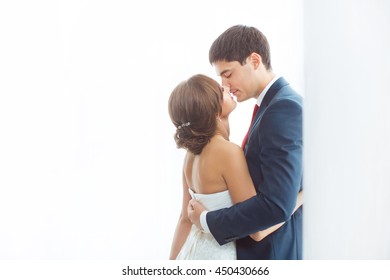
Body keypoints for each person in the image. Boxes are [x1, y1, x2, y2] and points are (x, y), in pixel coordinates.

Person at [187, 25, 303, 260]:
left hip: (272, 253)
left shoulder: (283, 108)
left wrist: (205, 220)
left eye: (228, 74)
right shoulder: (271, 106)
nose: (225, 85)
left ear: (254, 60)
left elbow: (276, 206)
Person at [168, 74, 303, 260]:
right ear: (213, 110)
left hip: (191, 254)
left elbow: (184, 220)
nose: (225, 87)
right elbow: (258, 230)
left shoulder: (190, 156)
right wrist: (301, 196)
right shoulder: (228, 152)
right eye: (219, 91)